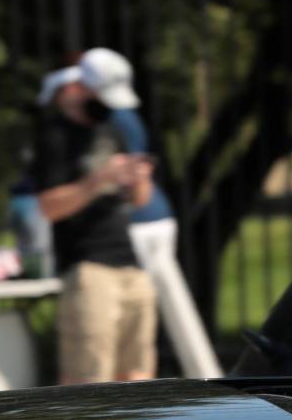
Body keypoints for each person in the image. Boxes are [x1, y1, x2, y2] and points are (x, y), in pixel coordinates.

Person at [79, 47, 222, 380]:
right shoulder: (127, 116)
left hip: (139, 224)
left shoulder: (110, 122)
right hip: (156, 218)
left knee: (132, 316)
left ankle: (208, 378)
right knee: (175, 310)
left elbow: (134, 179)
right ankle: (209, 376)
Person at [32, 55, 157, 385]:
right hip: (89, 270)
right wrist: (98, 179)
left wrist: (140, 179)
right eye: (101, 97)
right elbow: (48, 207)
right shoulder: (55, 138)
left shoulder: (112, 130)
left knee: (139, 377)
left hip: (131, 266)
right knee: (89, 381)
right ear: (78, 89)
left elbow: (140, 201)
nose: (107, 107)